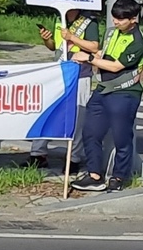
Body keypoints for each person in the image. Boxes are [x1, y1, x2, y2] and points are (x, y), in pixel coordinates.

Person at [72, 0, 143, 193]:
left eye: (121, 19)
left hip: (125, 93)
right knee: (90, 132)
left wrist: (88, 58)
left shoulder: (138, 41)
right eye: (114, 18)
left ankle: (119, 176)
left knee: (122, 137)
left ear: (133, 19)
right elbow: (103, 56)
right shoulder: (112, 32)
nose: (116, 22)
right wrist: (88, 58)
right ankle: (94, 175)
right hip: (102, 90)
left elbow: (116, 66)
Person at [25, 9, 99, 171]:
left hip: (80, 74)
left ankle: (73, 158)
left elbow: (94, 47)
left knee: (78, 116)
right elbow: (54, 47)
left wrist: (72, 37)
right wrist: (47, 40)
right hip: (58, 73)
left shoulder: (88, 22)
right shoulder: (60, 19)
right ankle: (38, 154)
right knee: (48, 111)